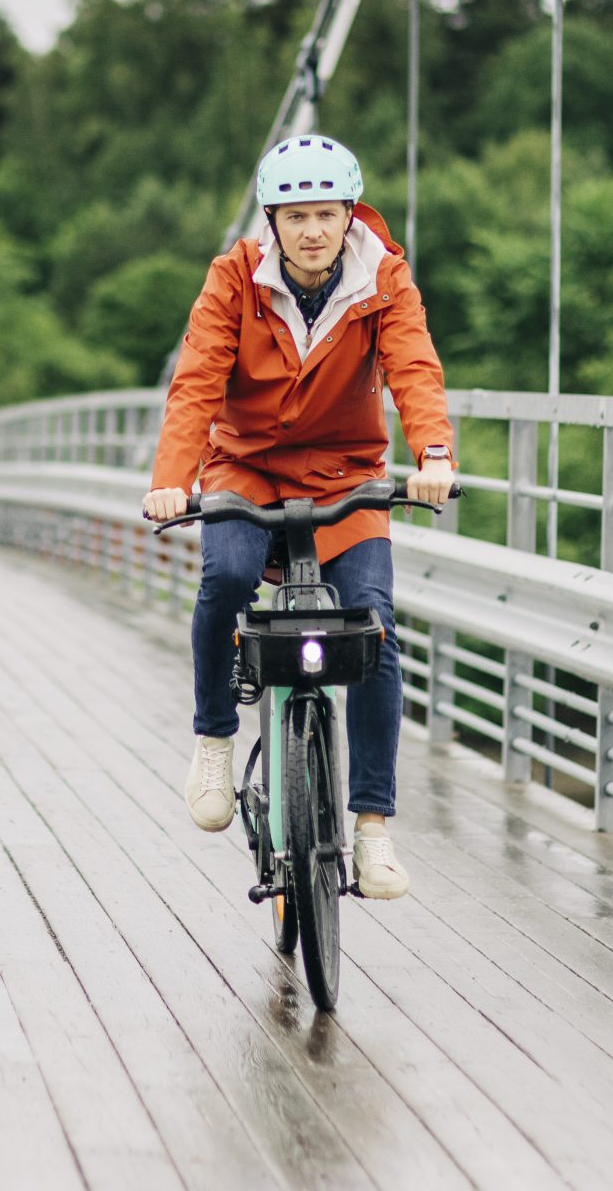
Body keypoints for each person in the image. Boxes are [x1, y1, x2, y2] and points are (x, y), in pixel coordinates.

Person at [142, 135, 455, 901]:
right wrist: (172, 480)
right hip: (244, 465)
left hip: (348, 473)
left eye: (326, 214)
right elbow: (197, 382)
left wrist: (436, 454)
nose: (312, 231)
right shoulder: (232, 280)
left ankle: (372, 828)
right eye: (296, 216)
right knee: (228, 577)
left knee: (373, 624)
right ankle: (215, 734)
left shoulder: (383, 279)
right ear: (271, 221)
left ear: (350, 216)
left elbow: (414, 365)